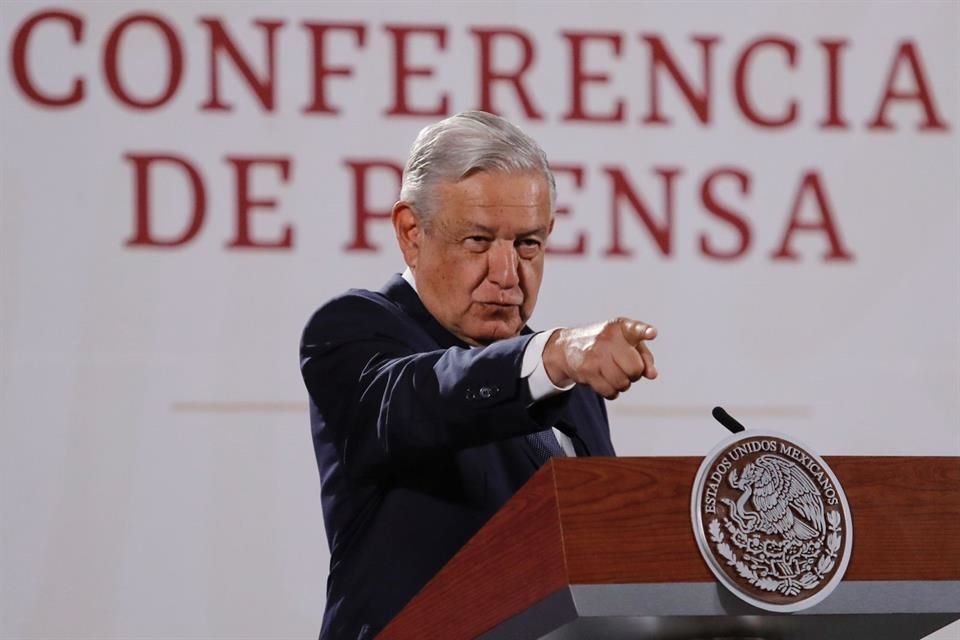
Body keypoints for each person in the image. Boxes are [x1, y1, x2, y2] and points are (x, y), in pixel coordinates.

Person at [300, 111, 658, 639]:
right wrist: (554, 355)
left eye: (528, 244)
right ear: (411, 232)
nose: (507, 273)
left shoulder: (570, 384)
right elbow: (427, 398)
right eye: (478, 242)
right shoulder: (353, 333)